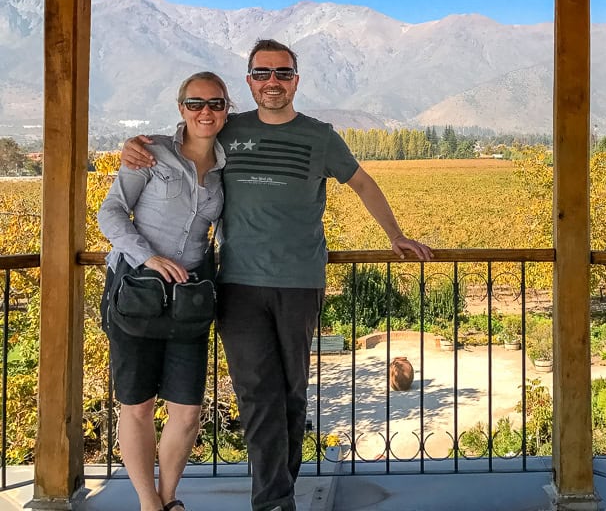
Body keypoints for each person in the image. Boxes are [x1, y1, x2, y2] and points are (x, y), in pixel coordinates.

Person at [122, 39, 433, 511]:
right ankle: (271, 501)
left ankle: (279, 491)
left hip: (301, 281)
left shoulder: (319, 136)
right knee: (257, 392)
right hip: (238, 284)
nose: (273, 82)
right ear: (249, 82)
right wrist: (135, 145)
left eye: (282, 73)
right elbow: (182, 140)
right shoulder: (228, 129)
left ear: (295, 81)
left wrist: (396, 235)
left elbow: (362, 183)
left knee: (291, 393)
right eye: (262, 73)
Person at [99, 71, 230, 511]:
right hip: (137, 292)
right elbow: (111, 212)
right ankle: (149, 503)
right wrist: (147, 257)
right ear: (181, 108)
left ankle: (168, 497)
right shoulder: (151, 152)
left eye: (215, 103)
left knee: (188, 411)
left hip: (188, 302)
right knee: (137, 405)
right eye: (195, 103)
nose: (205, 112)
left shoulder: (226, 167)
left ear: (226, 110)